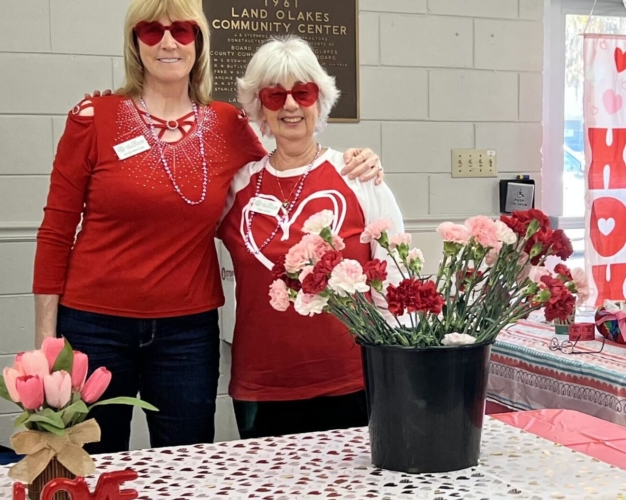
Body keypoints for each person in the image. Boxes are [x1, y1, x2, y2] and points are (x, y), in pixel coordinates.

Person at [33, 0, 383, 454]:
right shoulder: (94, 118)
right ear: (133, 41)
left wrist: (359, 162)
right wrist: (46, 341)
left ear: (198, 42)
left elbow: (288, 159)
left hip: (187, 331)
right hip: (95, 326)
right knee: (87, 459)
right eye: (151, 30)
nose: (167, 42)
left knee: (187, 460)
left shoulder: (227, 124)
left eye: (181, 29)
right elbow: (56, 231)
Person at [217, 36, 404, 439]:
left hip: (351, 379)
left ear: (320, 100)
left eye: (303, 93)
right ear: (259, 107)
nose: (289, 106)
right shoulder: (236, 187)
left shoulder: (359, 177)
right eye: (274, 94)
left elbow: (394, 278)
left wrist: (394, 364)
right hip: (261, 385)